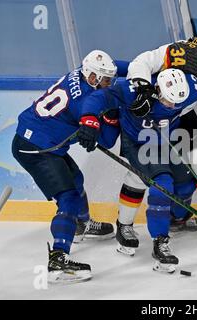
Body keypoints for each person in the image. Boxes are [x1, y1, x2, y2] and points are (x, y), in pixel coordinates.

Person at [80, 48, 197, 272]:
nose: (173, 107)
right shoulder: (135, 89)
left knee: (187, 177)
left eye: (178, 104)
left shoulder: (191, 88)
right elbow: (99, 96)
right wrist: (88, 119)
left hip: (168, 139)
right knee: (162, 184)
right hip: (139, 143)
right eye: (169, 103)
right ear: (157, 90)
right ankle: (160, 243)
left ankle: (188, 216)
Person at [11, 50, 128, 283]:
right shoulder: (84, 101)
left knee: (77, 180)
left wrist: (144, 70)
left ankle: (82, 225)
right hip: (38, 148)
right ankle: (58, 259)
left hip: (42, 141)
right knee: (69, 197)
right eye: (105, 81)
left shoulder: (81, 74)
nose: (109, 84)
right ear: (92, 78)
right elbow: (105, 140)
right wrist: (110, 119)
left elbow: (120, 67)